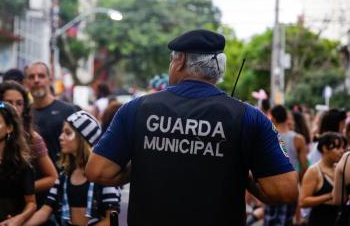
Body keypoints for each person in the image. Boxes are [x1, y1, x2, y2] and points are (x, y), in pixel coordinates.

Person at [85, 29, 298, 226]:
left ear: (180, 61)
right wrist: (243, 175)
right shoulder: (250, 117)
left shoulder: (136, 109)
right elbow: (285, 190)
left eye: (171, 60)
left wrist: (142, 163)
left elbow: (98, 171)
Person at [25, 110, 120, 226]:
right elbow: (45, 211)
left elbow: (111, 220)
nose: (60, 137)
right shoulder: (64, 176)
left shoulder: (103, 176)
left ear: (83, 139)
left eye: (68, 133)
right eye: (62, 132)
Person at [263, 105, 308, 226]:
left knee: (268, 220)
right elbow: (304, 167)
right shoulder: (298, 139)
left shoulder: (266, 136)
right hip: (290, 187)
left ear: (273, 118)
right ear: (286, 118)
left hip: (270, 186)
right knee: (285, 222)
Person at [25, 62, 77, 163]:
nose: (36, 80)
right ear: (26, 82)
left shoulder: (68, 110)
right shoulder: (23, 113)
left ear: (50, 80)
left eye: (41, 76)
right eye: (31, 77)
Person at [300, 132, 346, 226]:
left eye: (343, 148)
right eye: (337, 148)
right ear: (325, 148)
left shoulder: (340, 168)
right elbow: (303, 201)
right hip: (320, 220)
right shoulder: (314, 171)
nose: (342, 151)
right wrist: (331, 195)